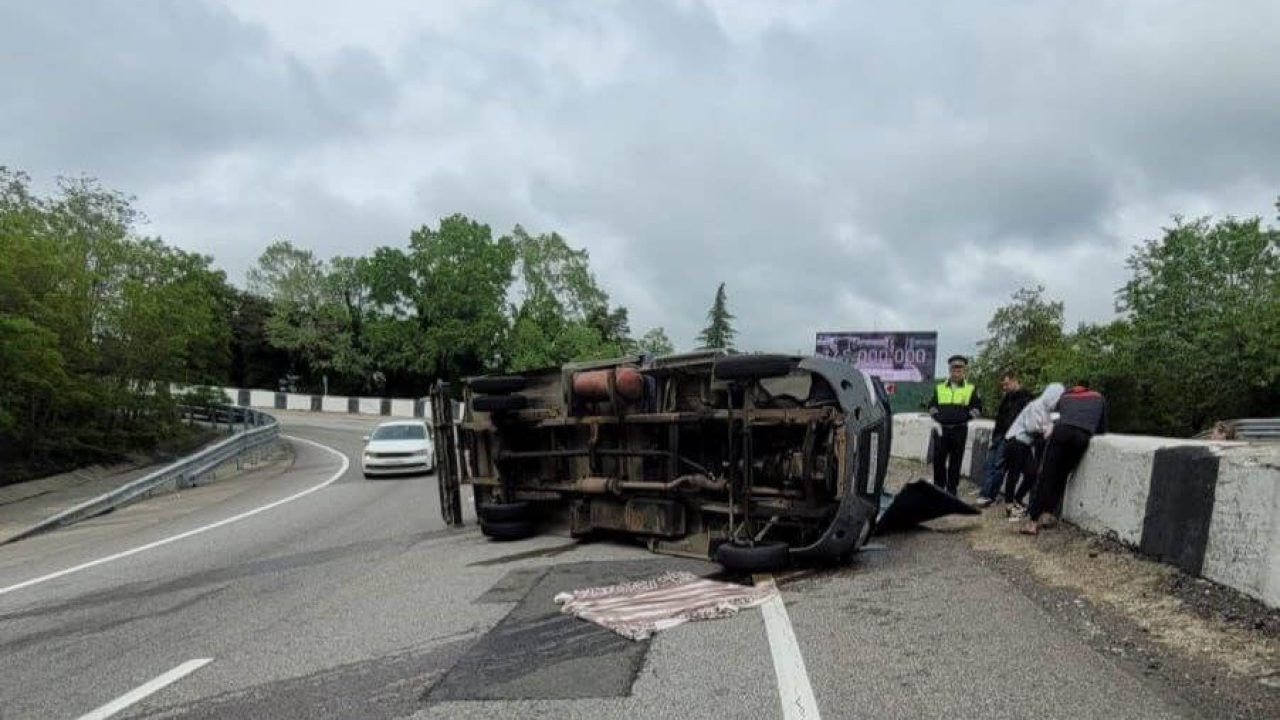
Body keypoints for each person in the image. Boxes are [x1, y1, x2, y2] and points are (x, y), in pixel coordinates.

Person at [1022, 380, 1108, 535]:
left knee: (1047, 476)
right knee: (1062, 475)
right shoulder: (1099, 397)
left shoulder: (1065, 397)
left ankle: (1033, 523)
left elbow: (1056, 415)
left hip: (1061, 433)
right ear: (1088, 387)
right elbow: (1101, 427)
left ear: (1075, 388)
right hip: (1082, 437)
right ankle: (1049, 514)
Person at [1001, 383, 1064, 520]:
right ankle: (1009, 506)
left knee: (1032, 473)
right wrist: (1047, 429)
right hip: (1016, 441)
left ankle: (1017, 500)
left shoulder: (1046, 409)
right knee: (1014, 474)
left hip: (1024, 445)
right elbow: (1032, 428)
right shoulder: (1037, 406)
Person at [927, 355, 982, 496]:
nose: (956, 372)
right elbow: (932, 406)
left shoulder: (971, 388)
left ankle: (952, 490)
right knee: (938, 461)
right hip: (941, 430)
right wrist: (937, 416)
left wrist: (964, 418)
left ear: (964, 370)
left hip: (959, 430)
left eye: (960, 369)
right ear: (950, 370)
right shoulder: (939, 388)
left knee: (955, 462)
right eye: (954, 368)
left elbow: (977, 409)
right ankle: (938, 488)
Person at [976, 371, 1032, 507]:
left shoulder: (1025, 398)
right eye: (1003, 385)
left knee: (998, 466)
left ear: (1015, 381)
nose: (1005, 388)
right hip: (999, 435)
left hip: (1010, 437)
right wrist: (996, 435)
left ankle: (989, 496)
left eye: (1006, 384)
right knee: (989, 465)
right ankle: (985, 493)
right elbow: (1000, 417)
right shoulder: (1007, 398)